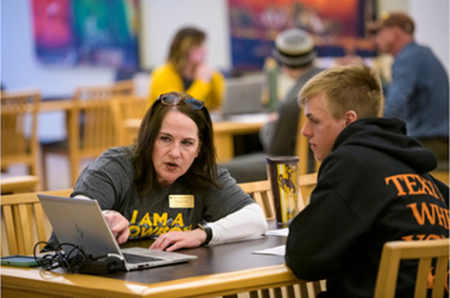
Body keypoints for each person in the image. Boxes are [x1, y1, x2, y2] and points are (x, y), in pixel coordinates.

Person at [285, 65, 449, 297]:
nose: (305, 131)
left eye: (314, 120)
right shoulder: (415, 167)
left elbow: (302, 257)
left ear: (348, 120)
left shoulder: (351, 163)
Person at [45, 92, 267, 252]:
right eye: (165, 139)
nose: (175, 153)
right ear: (149, 139)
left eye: (187, 143)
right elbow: (77, 213)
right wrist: (103, 217)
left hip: (157, 277)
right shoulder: (116, 165)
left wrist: (202, 234)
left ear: (200, 149)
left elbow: (256, 220)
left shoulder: (203, 174)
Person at [222, 28, 323, 183]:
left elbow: (276, 150)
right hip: (325, 164)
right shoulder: (327, 82)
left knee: (220, 171)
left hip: (296, 167)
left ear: (281, 61)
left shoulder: (294, 99)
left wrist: (269, 125)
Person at [369, 12, 449, 168]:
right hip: (438, 140)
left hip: (428, 142)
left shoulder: (408, 58)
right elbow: (394, 92)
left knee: (372, 162)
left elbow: (394, 105)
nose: (374, 40)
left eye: (378, 33)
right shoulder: (419, 55)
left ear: (394, 32)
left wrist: (376, 133)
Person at [148, 27, 225, 111]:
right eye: (198, 45)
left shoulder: (210, 74)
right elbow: (177, 110)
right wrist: (202, 83)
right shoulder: (163, 75)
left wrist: (214, 78)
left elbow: (224, 102)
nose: (205, 50)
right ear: (184, 50)